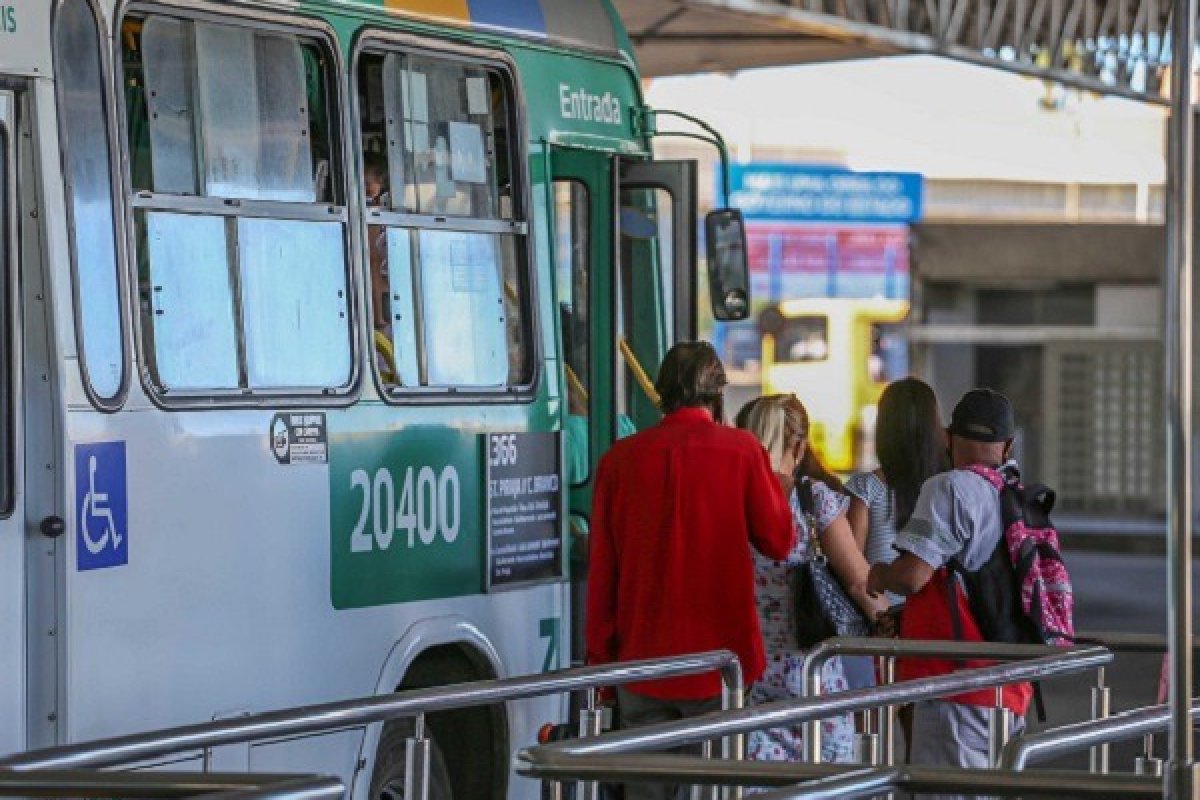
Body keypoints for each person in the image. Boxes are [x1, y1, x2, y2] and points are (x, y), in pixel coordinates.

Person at [586, 342, 794, 800]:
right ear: (718, 395)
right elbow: (779, 541)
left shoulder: (618, 461)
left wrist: (601, 664)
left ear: (661, 393)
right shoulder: (742, 452)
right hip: (722, 666)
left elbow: (603, 574)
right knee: (714, 791)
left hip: (640, 664)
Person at [866, 388, 1031, 778]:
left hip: (956, 688)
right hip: (1010, 688)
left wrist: (880, 574)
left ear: (947, 437)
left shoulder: (949, 488)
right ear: (1006, 446)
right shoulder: (1015, 497)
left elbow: (912, 576)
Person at [737, 394, 888, 764]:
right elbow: (858, 581)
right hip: (814, 682)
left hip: (746, 683)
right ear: (799, 445)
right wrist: (892, 623)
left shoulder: (731, 499)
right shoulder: (812, 498)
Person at [842, 378, 947, 690]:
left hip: (879, 633)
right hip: (935, 633)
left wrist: (890, 621)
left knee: (877, 730)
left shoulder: (866, 489)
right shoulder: (947, 490)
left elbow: (855, 572)